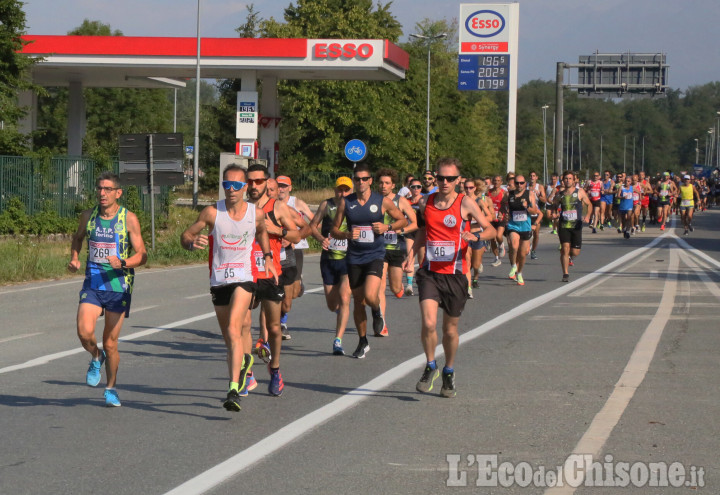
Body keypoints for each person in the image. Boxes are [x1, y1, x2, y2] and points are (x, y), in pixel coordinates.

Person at [181, 165, 277, 411]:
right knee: (229, 338)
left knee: (235, 328)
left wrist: (267, 256)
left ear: (245, 187)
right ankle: (244, 360)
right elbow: (185, 236)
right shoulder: (212, 213)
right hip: (219, 279)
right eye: (226, 185)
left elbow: (262, 231)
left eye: (236, 185)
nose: (231, 190)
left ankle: (233, 389)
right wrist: (193, 243)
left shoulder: (255, 213)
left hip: (244, 278)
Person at [404, 158, 495, 398]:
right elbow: (423, 231)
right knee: (429, 323)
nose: (444, 182)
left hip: (455, 274)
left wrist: (474, 236)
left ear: (458, 180)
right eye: (440, 178)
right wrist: (411, 255)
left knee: (450, 330)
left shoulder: (465, 203)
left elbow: (491, 229)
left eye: (450, 179)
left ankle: (449, 370)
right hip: (430, 272)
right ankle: (430, 364)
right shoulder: (425, 201)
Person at [68, 171, 147, 407]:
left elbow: (142, 255)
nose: (102, 193)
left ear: (118, 193)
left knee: (111, 342)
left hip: (118, 285)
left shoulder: (128, 219)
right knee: (84, 331)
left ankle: (111, 388)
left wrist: (123, 262)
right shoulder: (88, 216)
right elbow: (78, 237)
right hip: (93, 282)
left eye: (107, 189)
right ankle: (95, 356)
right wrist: (74, 257)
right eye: (99, 189)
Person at [330, 163, 407, 358]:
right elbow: (334, 230)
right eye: (358, 179)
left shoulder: (381, 201)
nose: (361, 182)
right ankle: (362, 341)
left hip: (375, 255)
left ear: (370, 181)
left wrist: (386, 228)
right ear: (354, 181)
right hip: (354, 257)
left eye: (365, 179)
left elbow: (402, 221)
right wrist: (348, 234)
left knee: (371, 296)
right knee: (358, 301)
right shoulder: (346, 202)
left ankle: (377, 311)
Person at [245, 165, 304, 396]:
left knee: (274, 327)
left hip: (270, 274)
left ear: (266, 183)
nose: (254, 186)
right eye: (250, 182)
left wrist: (277, 230)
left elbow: (297, 235)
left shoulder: (278, 207)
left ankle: (275, 369)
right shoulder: (241, 207)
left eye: (259, 182)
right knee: (242, 324)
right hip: (245, 273)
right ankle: (247, 371)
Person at [309, 177, 354, 355]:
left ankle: (338, 340)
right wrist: (321, 239)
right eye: (339, 190)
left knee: (344, 297)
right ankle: (340, 313)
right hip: (329, 259)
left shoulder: (355, 206)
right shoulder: (326, 205)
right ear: (335, 190)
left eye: (346, 190)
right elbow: (312, 226)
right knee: (331, 304)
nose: (342, 193)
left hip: (348, 259)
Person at [377, 168, 418, 333]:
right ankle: (382, 322)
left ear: (393, 185)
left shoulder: (401, 201)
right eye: (381, 182)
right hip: (377, 249)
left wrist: (400, 231)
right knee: (379, 288)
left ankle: (400, 288)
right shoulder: (372, 199)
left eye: (387, 183)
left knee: (394, 288)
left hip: (396, 248)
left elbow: (415, 223)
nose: (383, 186)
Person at [276, 175, 313, 339]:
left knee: (294, 292)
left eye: (284, 186)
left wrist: (294, 236)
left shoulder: (297, 203)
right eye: (278, 186)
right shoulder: (271, 204)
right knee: (276, 290)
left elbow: (313, 222)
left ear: (290, 188)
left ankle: (299, 285)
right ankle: (280, 323)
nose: (281, 189)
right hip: (275, 251)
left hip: (296, 249)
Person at [554, 171, 592, 283]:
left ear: (574, 180)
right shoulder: (560, 194)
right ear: (563, 180)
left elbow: (589, 204)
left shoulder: (579, 192)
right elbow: (554, 204)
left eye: (570, 178)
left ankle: (570, 256)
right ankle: (565, 273)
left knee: (575, 252)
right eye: (566, 178)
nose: (568, 180)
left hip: (576, 226)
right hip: (564, 225)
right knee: (565, 248)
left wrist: (588, 216)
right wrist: (554, 212)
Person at [503, 175, 540, 286]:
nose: (519, 185)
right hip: (513, 225)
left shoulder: (530, 194)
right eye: (517, 183)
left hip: (525, 226)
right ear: (514, 183)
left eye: (522, 183)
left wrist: (526, 207)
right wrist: (503, 214)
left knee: (523, 254)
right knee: (514, 246)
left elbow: (534, 211)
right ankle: (514, 266)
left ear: (525, 183)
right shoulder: (509, 194)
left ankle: (519, 273)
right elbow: (502, 205)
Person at [404, 177, 425, 295]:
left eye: (418, 187)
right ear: (409, 188)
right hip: (410, 232)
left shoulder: (424, 200)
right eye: (413, 187)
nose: (416, 189)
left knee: (422, 259)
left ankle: (422, 282)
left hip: (421, 231)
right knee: (410, 256)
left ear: (421, 188)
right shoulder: (406, 201)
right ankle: (409, 285)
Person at [527, 171, 547, 259]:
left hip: (537, 213)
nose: (532, 177)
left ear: (536, 177)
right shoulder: (525, 186)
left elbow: (544, 200)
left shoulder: (540, 187)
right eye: (530, 176)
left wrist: (538, 195)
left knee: (536, 234)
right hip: (527, 212)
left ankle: (533, 251)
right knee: (526, 232)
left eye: (533, 176)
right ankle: (527, 246)